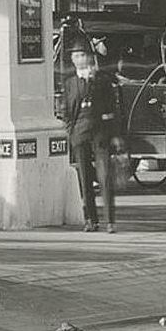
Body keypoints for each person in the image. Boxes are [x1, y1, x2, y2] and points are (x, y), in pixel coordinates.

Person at [59, 32, 123, 233]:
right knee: (85, 179)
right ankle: (90, 219)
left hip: (100, 132)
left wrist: (116, 135)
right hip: (80, 133)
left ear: (90, 57)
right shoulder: (70, 83)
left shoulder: (102, 80)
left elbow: (113, 108)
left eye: (83, 55)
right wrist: (70, 133)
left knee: (105, 177)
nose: (80, 59)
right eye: (76, 56)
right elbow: (66, 111)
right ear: (72, 60)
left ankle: (110, 220)